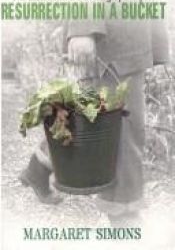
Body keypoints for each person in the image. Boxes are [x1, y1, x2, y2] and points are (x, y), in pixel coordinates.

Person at [19, 17, 169, 219]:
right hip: (112, 37)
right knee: (119, 130)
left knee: (101, 125)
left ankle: (40, 165)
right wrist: (83, 26)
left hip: (129, 33)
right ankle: (125, 221)